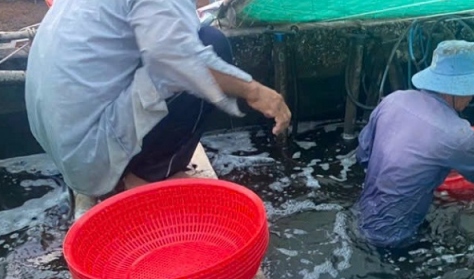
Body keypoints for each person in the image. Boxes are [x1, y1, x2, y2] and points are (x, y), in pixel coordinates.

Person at [25, 0, 291, 198]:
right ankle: (148, 175)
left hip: (63, 147)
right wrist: (256, 92)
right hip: (92, 159)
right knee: (212, 44)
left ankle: (130, 166)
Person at [355, 40, 474, 248]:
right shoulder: (458, 133)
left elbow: (363, 155)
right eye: (472, 90)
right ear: (459, 89)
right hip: (396, 234)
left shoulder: (394, 100)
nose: (472, 98)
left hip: (362, 214)